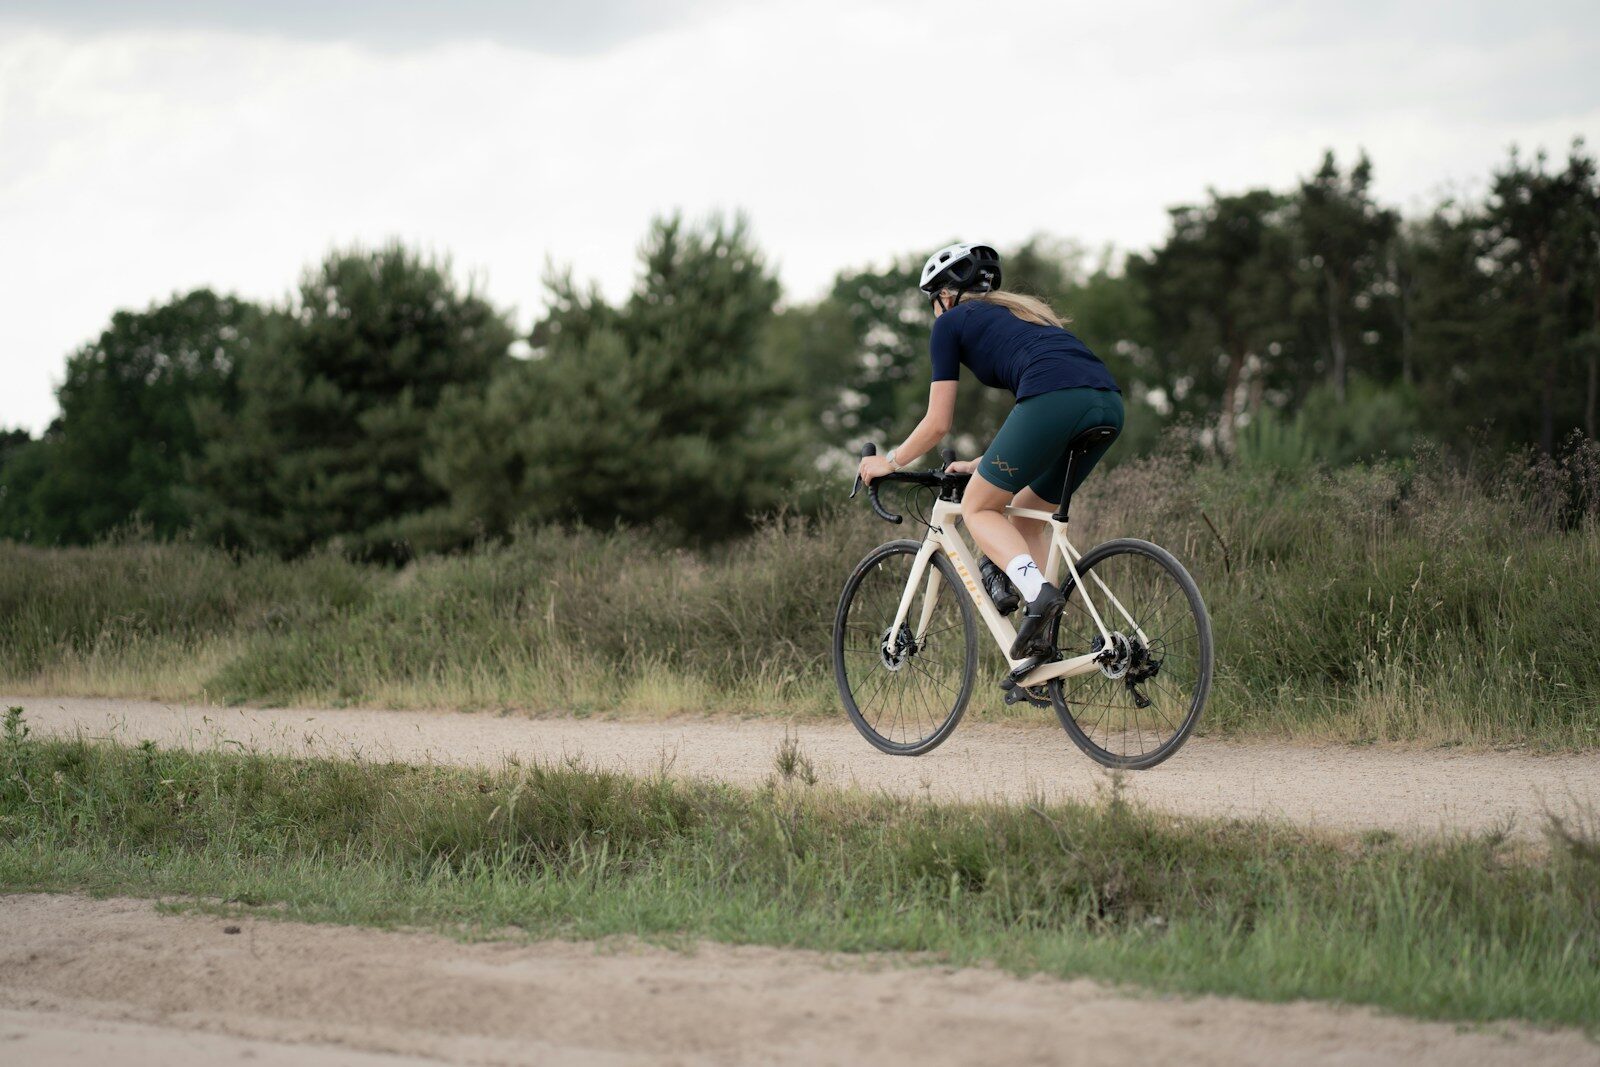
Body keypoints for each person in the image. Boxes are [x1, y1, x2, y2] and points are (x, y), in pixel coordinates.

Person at [856, 242, 1124, 660]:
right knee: (1029, 515)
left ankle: (1039, 596)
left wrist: (888, 462)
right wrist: (988, 460)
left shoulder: (950, 323)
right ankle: (1042, 653)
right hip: (1107, 404)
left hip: (1055, 402)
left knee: (979, 508)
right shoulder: (1025, 316)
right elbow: (1046, 402)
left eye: (932, 301)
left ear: (944, 296)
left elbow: (938, 423)